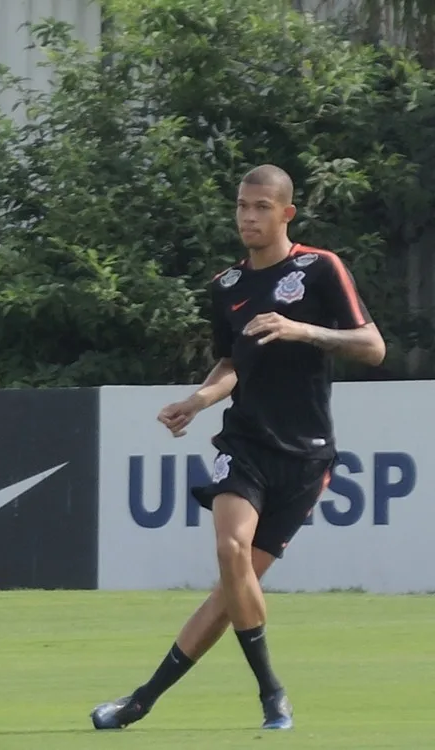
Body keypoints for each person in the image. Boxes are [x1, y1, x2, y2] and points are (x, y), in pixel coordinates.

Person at [90, 165, 386, 731]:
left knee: (233, 589)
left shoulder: (320, 269)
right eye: (242, 207)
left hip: (306, 455)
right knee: (230, 551)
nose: (248, 217)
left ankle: (140, 702)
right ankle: (271, 692)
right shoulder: (226, 287)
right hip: (244, 442)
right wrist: (199, 400)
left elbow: (372, 346)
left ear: (285, 214)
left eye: (260, 207)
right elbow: (232, 364)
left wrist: (305, 331)